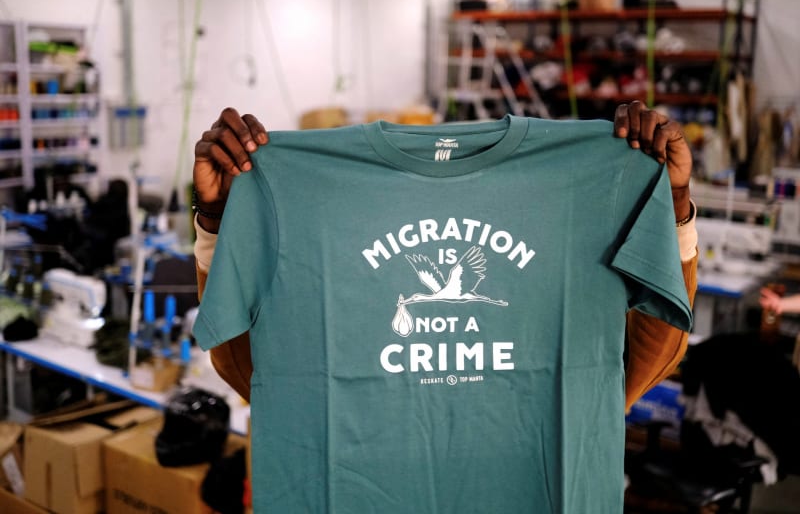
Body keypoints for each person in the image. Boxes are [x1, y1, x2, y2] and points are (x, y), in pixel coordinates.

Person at [192, 101, 698, 412]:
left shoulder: (588, 186)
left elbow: (651, 358)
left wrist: (667, 204)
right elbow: (256, 375)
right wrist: (220, 222)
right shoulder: (306, 198)